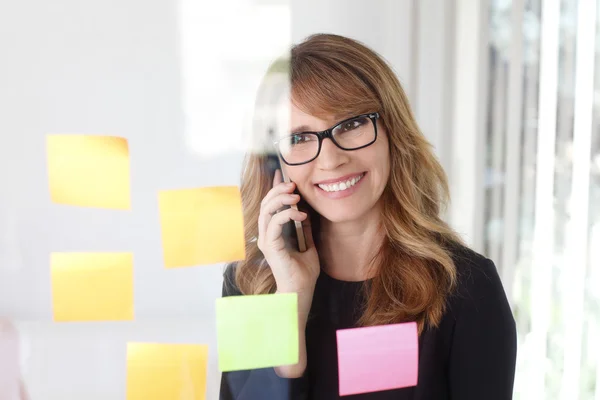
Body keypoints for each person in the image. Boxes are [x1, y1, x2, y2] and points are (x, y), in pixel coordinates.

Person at [220, 33, 517, 400]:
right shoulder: (249, 284)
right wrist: (290, 305)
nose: (330, 160)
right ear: (275, 162)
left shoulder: (466, 288)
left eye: (350, 124)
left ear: (393, 132)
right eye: (298, 138)